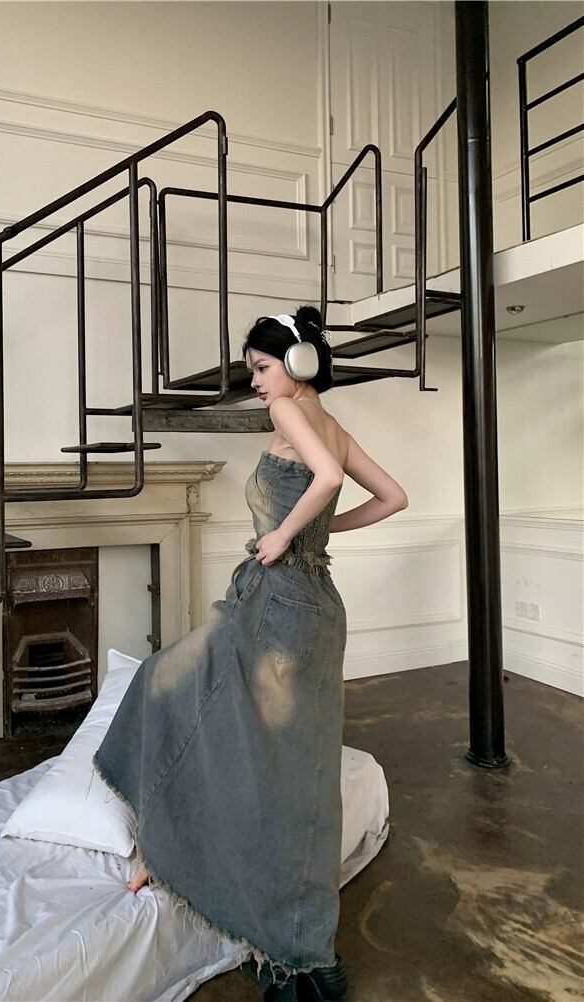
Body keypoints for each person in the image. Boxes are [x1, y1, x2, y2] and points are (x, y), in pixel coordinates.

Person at [92, 305, 408, 1002]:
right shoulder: (332, 424)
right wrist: (317, 535)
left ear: (297, 365)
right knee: (286, 765)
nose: (256, 382)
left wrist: (286, 536)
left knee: (198, 713)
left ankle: (192, 868)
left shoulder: (292, 413)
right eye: (253, 372)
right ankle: (188, 863)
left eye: (262, 368)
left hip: (282, 606)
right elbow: (393, 497)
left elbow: (327, 481)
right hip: (309, 607)